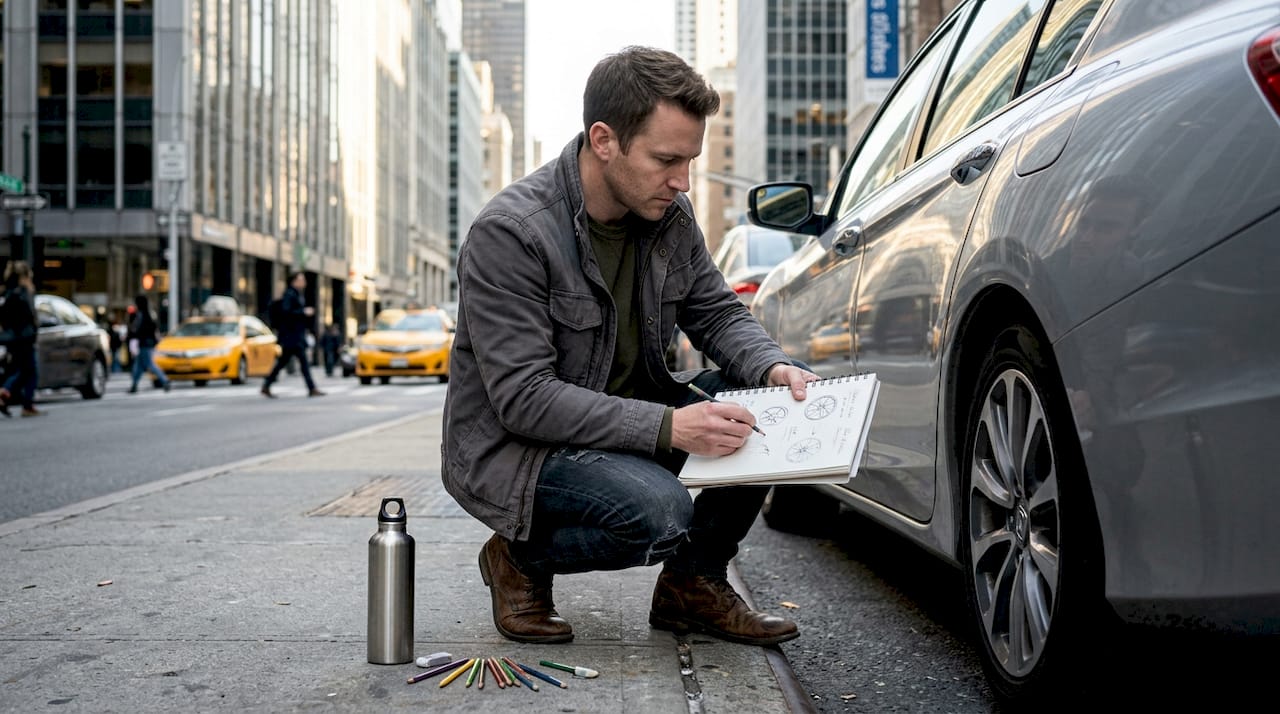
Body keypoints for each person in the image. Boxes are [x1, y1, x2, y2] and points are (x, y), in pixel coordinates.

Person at [443, 46, 818, 647]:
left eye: (690, 161)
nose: (682, 181)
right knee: (658, 515)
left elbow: (716, 311)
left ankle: (692, 587)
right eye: (666, 159)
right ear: (603, 140)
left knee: (763, 400)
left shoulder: (670, 216)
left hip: (625, 423)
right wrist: (671, 427)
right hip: (526, 451)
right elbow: (523, 399)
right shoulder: (511, 233)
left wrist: (772, 367)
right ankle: (518, 558)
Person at [261, 271, 324, 398]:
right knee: (302, 362)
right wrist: (303, 312)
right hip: (292, 336)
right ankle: (311, 388)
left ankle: (267, 385)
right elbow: (287, 311)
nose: (304, 282)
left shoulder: (296, 294)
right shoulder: (290, 294)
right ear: (294, 281)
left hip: (294, 335)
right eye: (301, 279)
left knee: (284, 362)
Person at [0, 261, 41, 417]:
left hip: (12, 338)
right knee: (31, 371)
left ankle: (7, 394)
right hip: (26, 338)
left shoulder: (8, 292)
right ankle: (25, 404)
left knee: (20, 370)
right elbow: (32, 316)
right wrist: (34, 331)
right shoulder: (24, 292)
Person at [127, 294, 171, 394]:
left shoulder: (141, 315)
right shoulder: (150, 314)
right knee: (138, 366)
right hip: (148, 343)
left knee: (149, 364)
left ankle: (164, 380)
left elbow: (136, 329)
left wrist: (133, 333)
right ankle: (134, 385)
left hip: (144, 343)